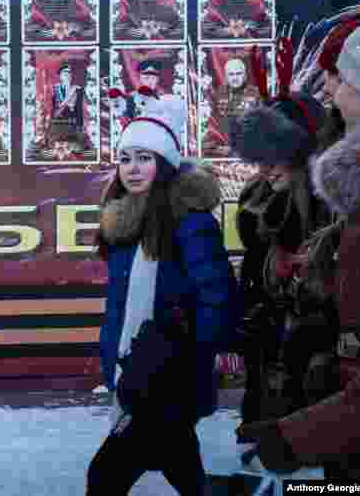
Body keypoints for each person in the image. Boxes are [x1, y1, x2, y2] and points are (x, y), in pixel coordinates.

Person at [238, 25, 360, 480]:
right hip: (322, 401)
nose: (332, 92)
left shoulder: (338, 209)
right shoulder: (264, 211)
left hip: (336, 400)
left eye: (342, 78)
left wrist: (297, 433)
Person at [89, 94, 236, 496]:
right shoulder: (123, 225)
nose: (133, 168)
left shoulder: (189, 222)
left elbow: (216, 291)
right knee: (183, 469)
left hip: (167, 371)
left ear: (165, 163)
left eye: (144, 158)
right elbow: (119, 308)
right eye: (126, 158)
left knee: (104, 476)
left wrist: (207, 350)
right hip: (139, 365)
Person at [229, 86, 335, 431]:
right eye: (260, 157)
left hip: (317, 407)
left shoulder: (334, 217)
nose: (267, 169)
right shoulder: (257, 214)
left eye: (278, 156)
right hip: (266, 400)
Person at [203, 58, 264, 155]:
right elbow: (213, 125)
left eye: (238, 74)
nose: (235, 78)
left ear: (244, 75)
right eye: (231, 74)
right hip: (224, 150)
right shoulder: (219, 94)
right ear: (226, 76)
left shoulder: (255, 94)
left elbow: (263, 125)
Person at [45, 63, 90, 153]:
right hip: (60, 121)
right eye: (65, 73)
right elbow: (53, 107)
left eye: (69, 73)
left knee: (77, 146)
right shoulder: (55, 89)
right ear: (60, 76)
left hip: (73, 121)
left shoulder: (78, 89)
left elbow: (80, 109)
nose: (68, 75)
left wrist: (80, 125)